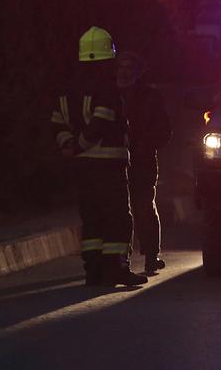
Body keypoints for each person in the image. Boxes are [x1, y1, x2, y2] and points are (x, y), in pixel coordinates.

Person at [51, 27, 147, 286]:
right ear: (107, 57)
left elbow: (57, 120)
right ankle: (116, 269)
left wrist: (70, 146)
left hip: (82, 168)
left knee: (91, 218)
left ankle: (93, 271)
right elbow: (102, 121)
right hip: (108, 167)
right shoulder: (107, 88)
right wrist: (82, 145)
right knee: (117, 218)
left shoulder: (67, 88)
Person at [117, 51, 172, 274]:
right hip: (113, 160)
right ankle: (120, 259)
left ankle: (151, 255)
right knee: (119, 209)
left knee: (143, 207)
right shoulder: (108, 94)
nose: (124, 72)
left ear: (139, 72)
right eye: (121, 67)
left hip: (142, 161)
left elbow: (164, 130)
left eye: (130, 68)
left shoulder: (151, 97)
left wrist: (143, 145)